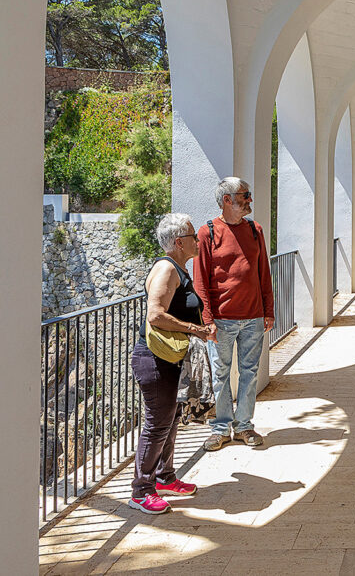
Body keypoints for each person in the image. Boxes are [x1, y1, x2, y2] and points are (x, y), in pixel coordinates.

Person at [129, 213, 212, 514]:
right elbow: (155, 315)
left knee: (171, 419)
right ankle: (141, 490)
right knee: (157, 423)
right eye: (192, 236)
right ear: (179, 242)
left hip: (170, 360)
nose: (197, 240)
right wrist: (195, 329)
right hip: (155, 360)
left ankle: (164, 478)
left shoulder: (178, 268)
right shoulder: (166, 269)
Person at [194, 177, 274, 451]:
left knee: (250, 373)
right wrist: (207, 320)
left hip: (253, 317)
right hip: (221, 320)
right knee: (221, 374)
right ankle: (220, 428)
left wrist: (268, 310)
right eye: (245, 195)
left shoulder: (255, 230)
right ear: (227, 200)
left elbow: (264, 273)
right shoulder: (208, 233)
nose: (250, 200)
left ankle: (244, 426)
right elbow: (200, 280)